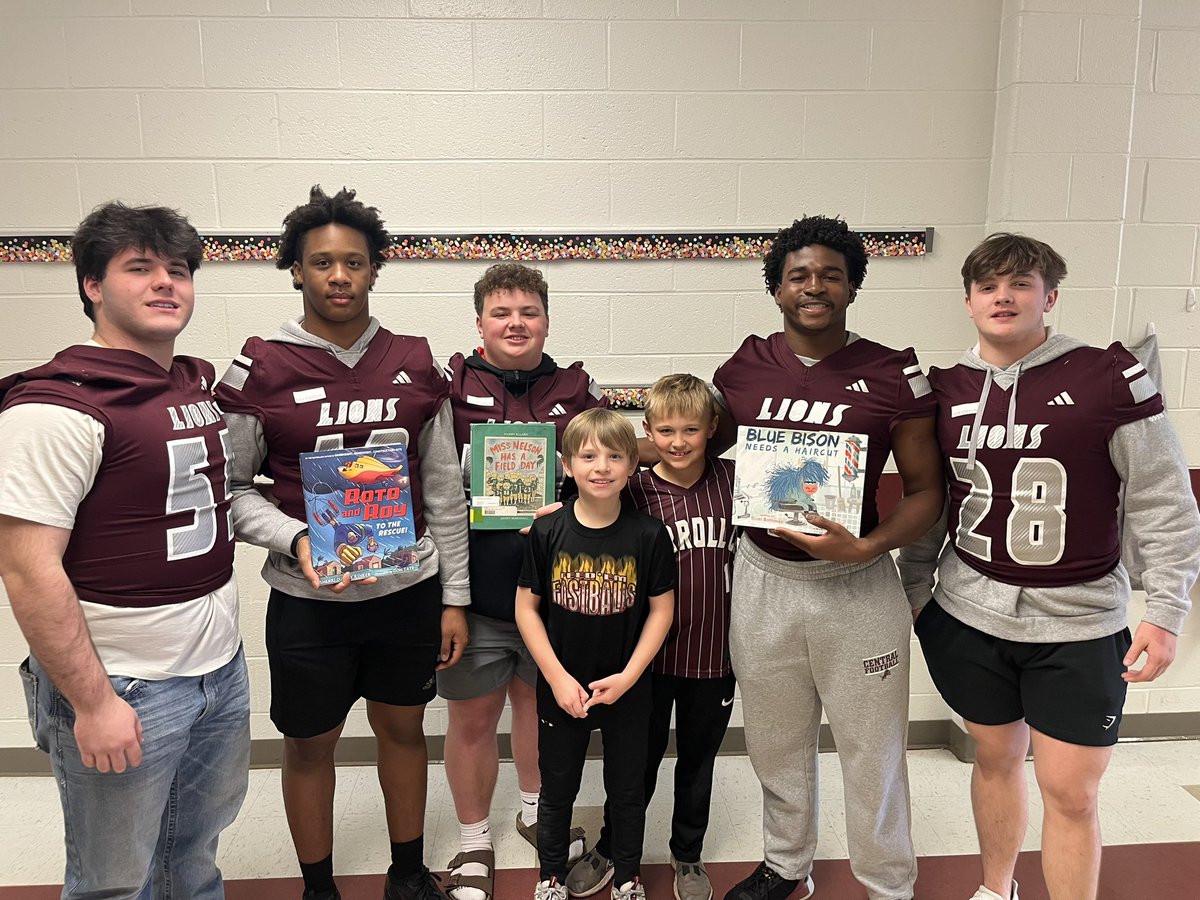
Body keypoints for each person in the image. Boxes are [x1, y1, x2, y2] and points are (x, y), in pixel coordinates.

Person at [898, 233, 1200, 900]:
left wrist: (1169, 612)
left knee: (1070, 791)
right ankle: (995, 887)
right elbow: (934, 499)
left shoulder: (1106, 376)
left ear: (1050, 296)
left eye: (1021, 283)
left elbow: (1165, 501)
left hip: (1079, 620)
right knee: (996, 757)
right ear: (969, 301)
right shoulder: (943, 390)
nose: (1003, 296)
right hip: (970, 613)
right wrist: (916, 588)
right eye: (987, 286)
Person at [214, 186, 469, 900]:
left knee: (404, 730)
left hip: (406, 593)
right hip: (310, 600)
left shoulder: (416, 361)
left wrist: (454, 597)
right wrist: (295, 537)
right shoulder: (259, 366)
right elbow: (230, 490)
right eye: (321, 262)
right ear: (295, 269)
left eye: (353, 262)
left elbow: (445, 492)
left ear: (374, 269)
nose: (337, 276)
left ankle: (409, 873)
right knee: (308, 745)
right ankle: (318, 887)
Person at [0, 202, 250, 899]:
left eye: (178, 270)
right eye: (139, 268)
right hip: (126, 684)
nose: (165, 283)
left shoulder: (191, 385)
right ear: (91, 286)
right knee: (114, 882)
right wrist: (92, 702)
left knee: (192, 856)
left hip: (217, 671)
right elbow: (26, 567)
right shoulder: (52, 411)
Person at [712, 216, 944, 900]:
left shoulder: (893, 374)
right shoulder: (745, 365)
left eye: (830, 275)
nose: (814, 287)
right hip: (763, 578)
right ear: (778, 289)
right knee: (777, 745)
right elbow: (692, 445)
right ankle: (787, 865)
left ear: (852, 286)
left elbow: (928, 491)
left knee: (873, 752)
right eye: (799, 276)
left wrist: (870, 545)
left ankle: (888, 881)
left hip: (857, 582)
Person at [439, 263, 605, 900]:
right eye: (501, 313)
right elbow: (429, 488)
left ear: (546, 320)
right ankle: (474, 840)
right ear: (479, 321)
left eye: (529, 312)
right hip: (475, 594)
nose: (516, 323)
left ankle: (539, 814)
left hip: (555, 595)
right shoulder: (447, 390)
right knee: (473, 718)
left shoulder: (575, 390)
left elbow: (609, 464)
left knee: (540, 708)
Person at [568, 374, 737, 900]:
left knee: (697, 763)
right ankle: (616, 846)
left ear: (712, 428)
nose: (679, 441)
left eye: (691, 429)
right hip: (645, 659)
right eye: (665, 430)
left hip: (717, 656)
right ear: (648, 431)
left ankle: (687, 854)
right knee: (632, 765)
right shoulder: (633, 488)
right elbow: (585, 516)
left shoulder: (735, 480)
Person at [515, 409, 676, 900]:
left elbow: (661, 612)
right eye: (588, 456)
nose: (601, 466)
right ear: (567, 465)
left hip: (628, 687)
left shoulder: (648, 535)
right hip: (562, 687)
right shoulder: (547, 532)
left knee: (627, 789)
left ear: (632, 467)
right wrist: (558, 678)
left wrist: (629, 676)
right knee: (557, 787)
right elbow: (526, 609)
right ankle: (550, 876)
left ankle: (627, 875)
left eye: (614, 456)